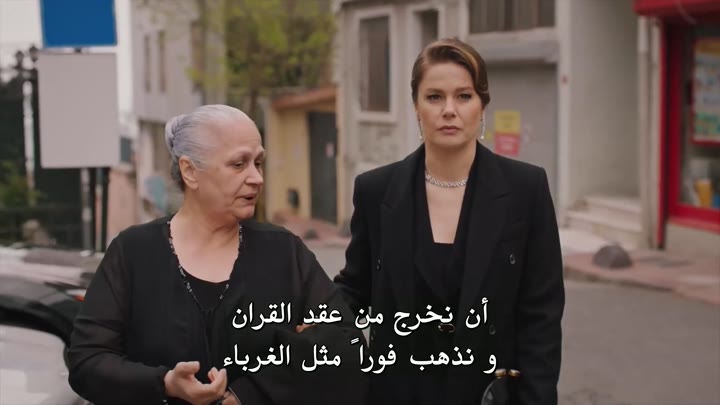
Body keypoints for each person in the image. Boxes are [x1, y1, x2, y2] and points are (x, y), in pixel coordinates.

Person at [68, 105, 367, 405]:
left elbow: (347, 343)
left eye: (258, 163)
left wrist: (248, 394)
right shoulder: (134, 252)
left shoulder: (283, 252)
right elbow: (87, 360)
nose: (256, 178)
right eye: (239, 164)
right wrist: (166, 383)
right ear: (190, 171)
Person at [333, 38, 565, 405]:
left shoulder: (526, 189)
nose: (449, 110)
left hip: (490, 395)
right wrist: (304, 314)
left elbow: (541, 317)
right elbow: (355, 291)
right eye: (434, 97)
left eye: (464, 96)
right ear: (416, 106)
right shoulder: (376, 191)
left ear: (482, 105)